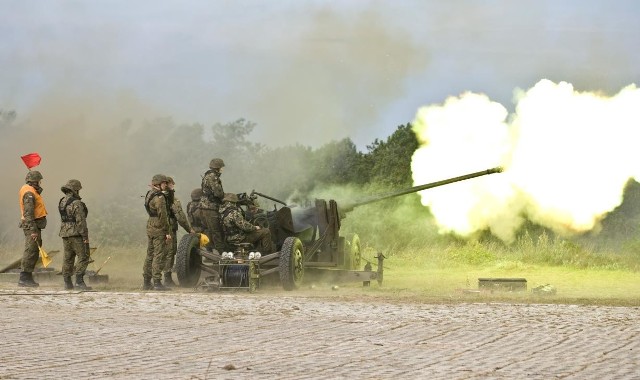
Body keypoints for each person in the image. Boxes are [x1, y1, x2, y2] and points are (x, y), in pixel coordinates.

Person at [58, 179, 93, 290]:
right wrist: (85, 237)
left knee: (68, 258)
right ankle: (79, 282)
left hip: (65, 233)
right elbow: (80, 221)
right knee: (84, 256)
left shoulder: (62, 201)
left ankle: (67, 283)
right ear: (76, 190)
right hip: (76, 234)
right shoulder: (77, 203)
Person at [17, 170, 47, 287]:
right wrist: (33, 231)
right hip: (32, 226)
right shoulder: (29, 193)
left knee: (34, 251)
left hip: (33, 225)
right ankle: (24, 278)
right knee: (30, 250)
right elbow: (29, 213)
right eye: (39, 181)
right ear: (35, 181)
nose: (40, 183)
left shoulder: (30, 191)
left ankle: (27, 277)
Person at [162, 176, 194, 287]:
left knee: (157, 252)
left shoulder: (154, 196)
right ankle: (167, 279)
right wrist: (189, 229)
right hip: (169, 228)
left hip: (156, 228)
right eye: (172, 184)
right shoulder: (172, 199)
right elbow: (180, 216)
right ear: (167, 184)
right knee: (170, 252)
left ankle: (152, 278)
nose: (173, 185)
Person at [143, 174, 172, 291]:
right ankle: (157, 282)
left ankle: (146, 281)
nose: (165, 185)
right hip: (159, 226)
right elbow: (163, 216)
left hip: (150, 224)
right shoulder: (159, 197)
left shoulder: (149, 194)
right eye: (164, 183)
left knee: (149, 254)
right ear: (158, 184)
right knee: (159, 254)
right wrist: (167, 232)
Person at [200, 158, 225, 252]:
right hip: (210, 207)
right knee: (216, 231)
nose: (222, 169)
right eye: (221, 167)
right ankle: (222, 253)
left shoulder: (208, 175)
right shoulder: (213, 176)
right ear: (218, 167)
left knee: (211, 230)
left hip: (206, 207)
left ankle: (210, 251)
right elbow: (218, 193)